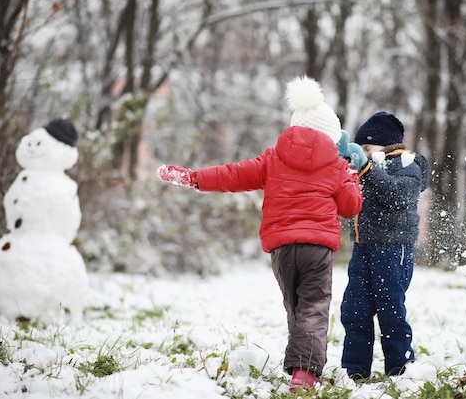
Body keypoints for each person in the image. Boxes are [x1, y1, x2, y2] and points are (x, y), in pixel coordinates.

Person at [156, 76, 363, 391]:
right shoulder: (335, 165)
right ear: (331, 135)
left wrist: (194, 177)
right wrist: (350, 177)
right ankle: (304, 374)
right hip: (317, 248)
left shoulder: (274, 157)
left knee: (296, 306)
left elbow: (234, 174)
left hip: (282, 249)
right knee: (314, 306)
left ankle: (300, 368)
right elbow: (350, 207)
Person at [338, 111, 431, 380]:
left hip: (392, 250)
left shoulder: (407, 164)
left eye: (366, 147)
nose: (363, 154)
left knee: (391, 312)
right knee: (355, 310)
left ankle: (400, 370)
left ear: (386, 143)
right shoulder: (364, 168)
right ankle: (355, 370)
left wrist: (367, 169)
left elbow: (399, 195)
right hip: (362, 248)